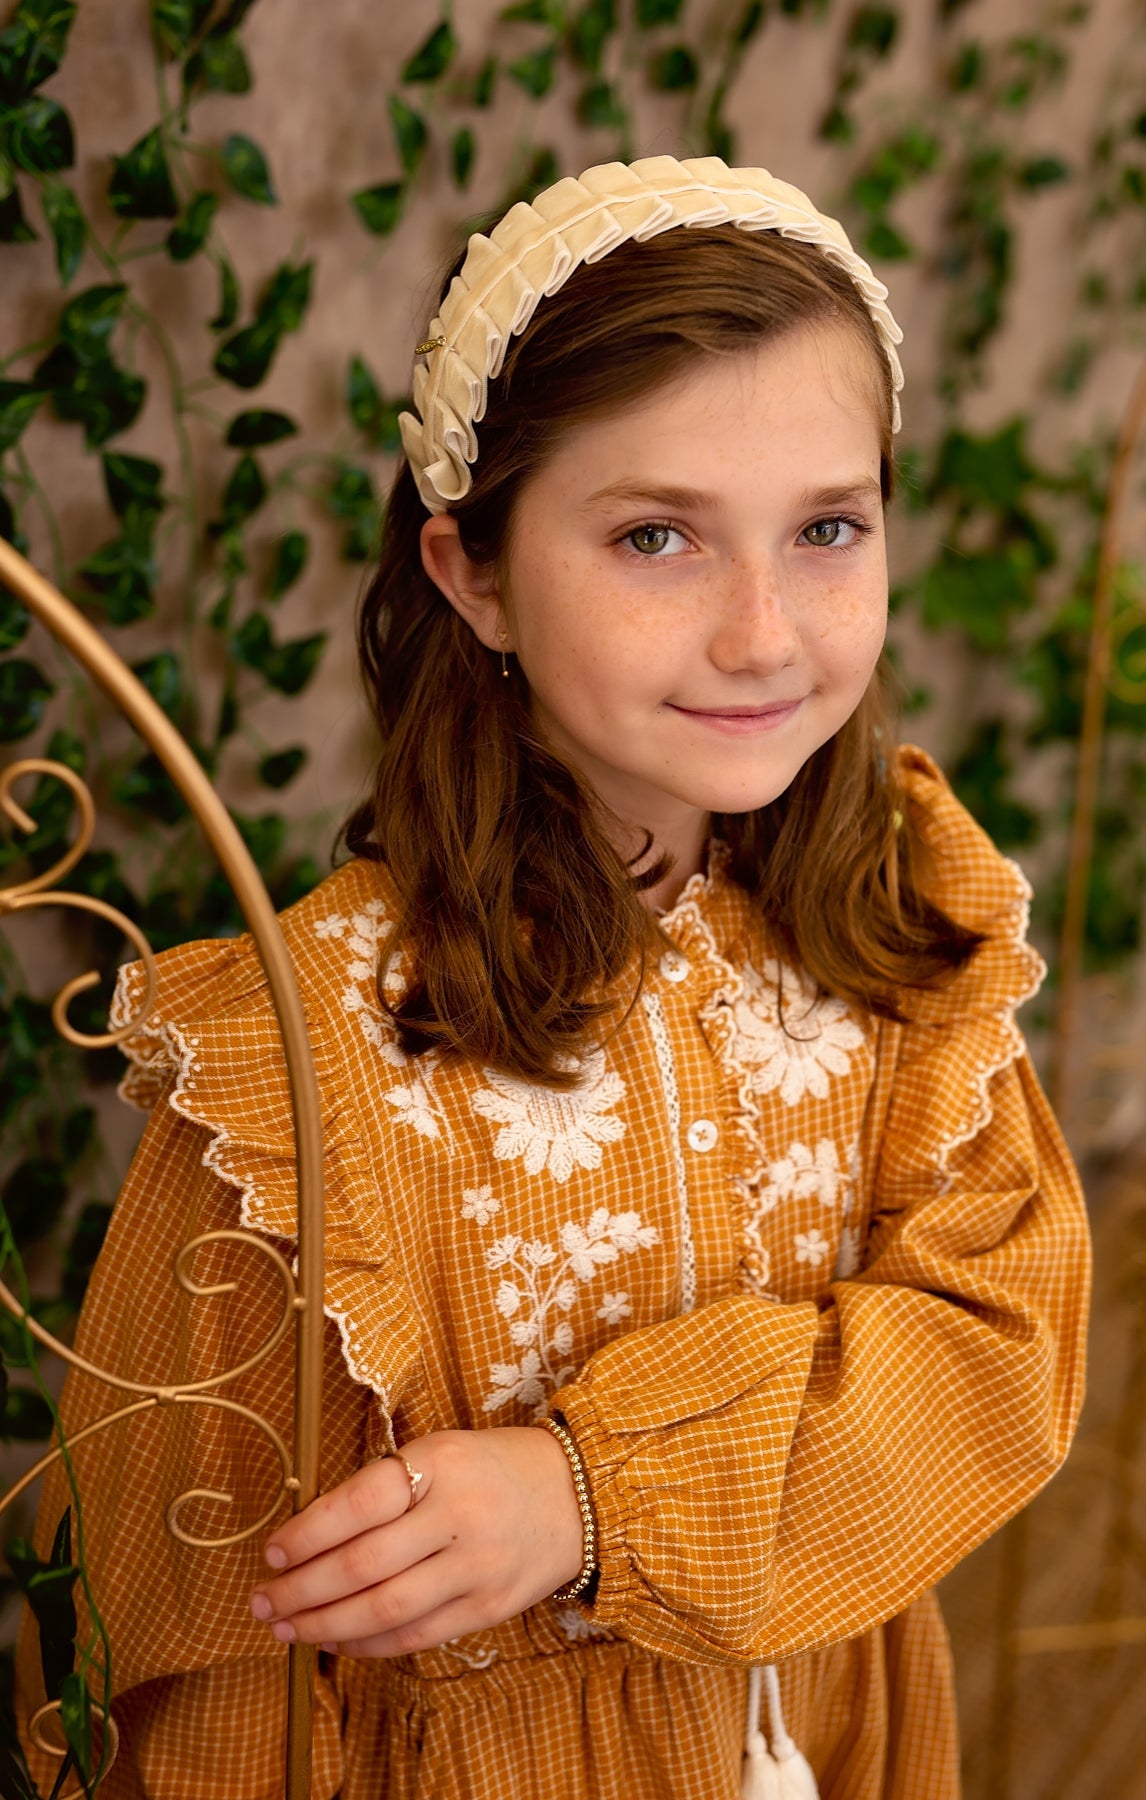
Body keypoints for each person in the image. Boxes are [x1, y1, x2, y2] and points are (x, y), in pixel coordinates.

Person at [17, 156, 1090, 1799]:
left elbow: (999, 1351)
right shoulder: (305, 1072)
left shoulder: (907, 933)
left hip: (832, 1740)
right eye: (657, 535)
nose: (763, 633)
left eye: (827, 528)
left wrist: (594, 1497)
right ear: (475, 571)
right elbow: (203, 1647)